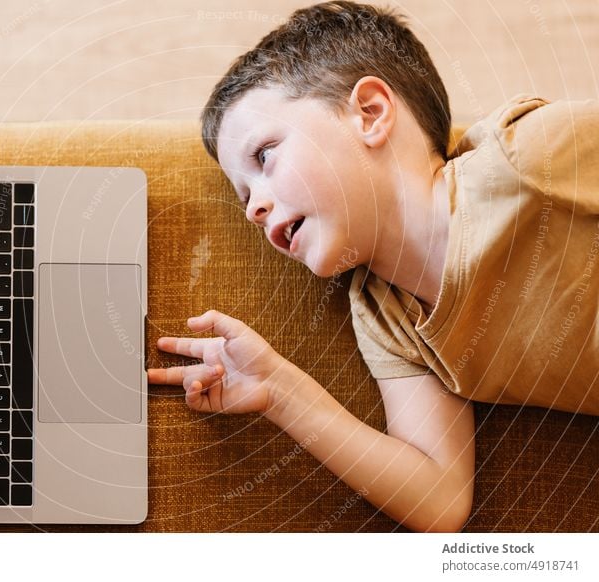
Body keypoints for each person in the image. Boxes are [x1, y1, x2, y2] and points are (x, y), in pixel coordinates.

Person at [146, 1, 599, 532]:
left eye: (264, 156)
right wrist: (281, 390)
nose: (253, 208)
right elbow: (439, 498)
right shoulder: (387, 316)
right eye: (244, 195)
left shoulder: (526, 155)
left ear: (370, 113)